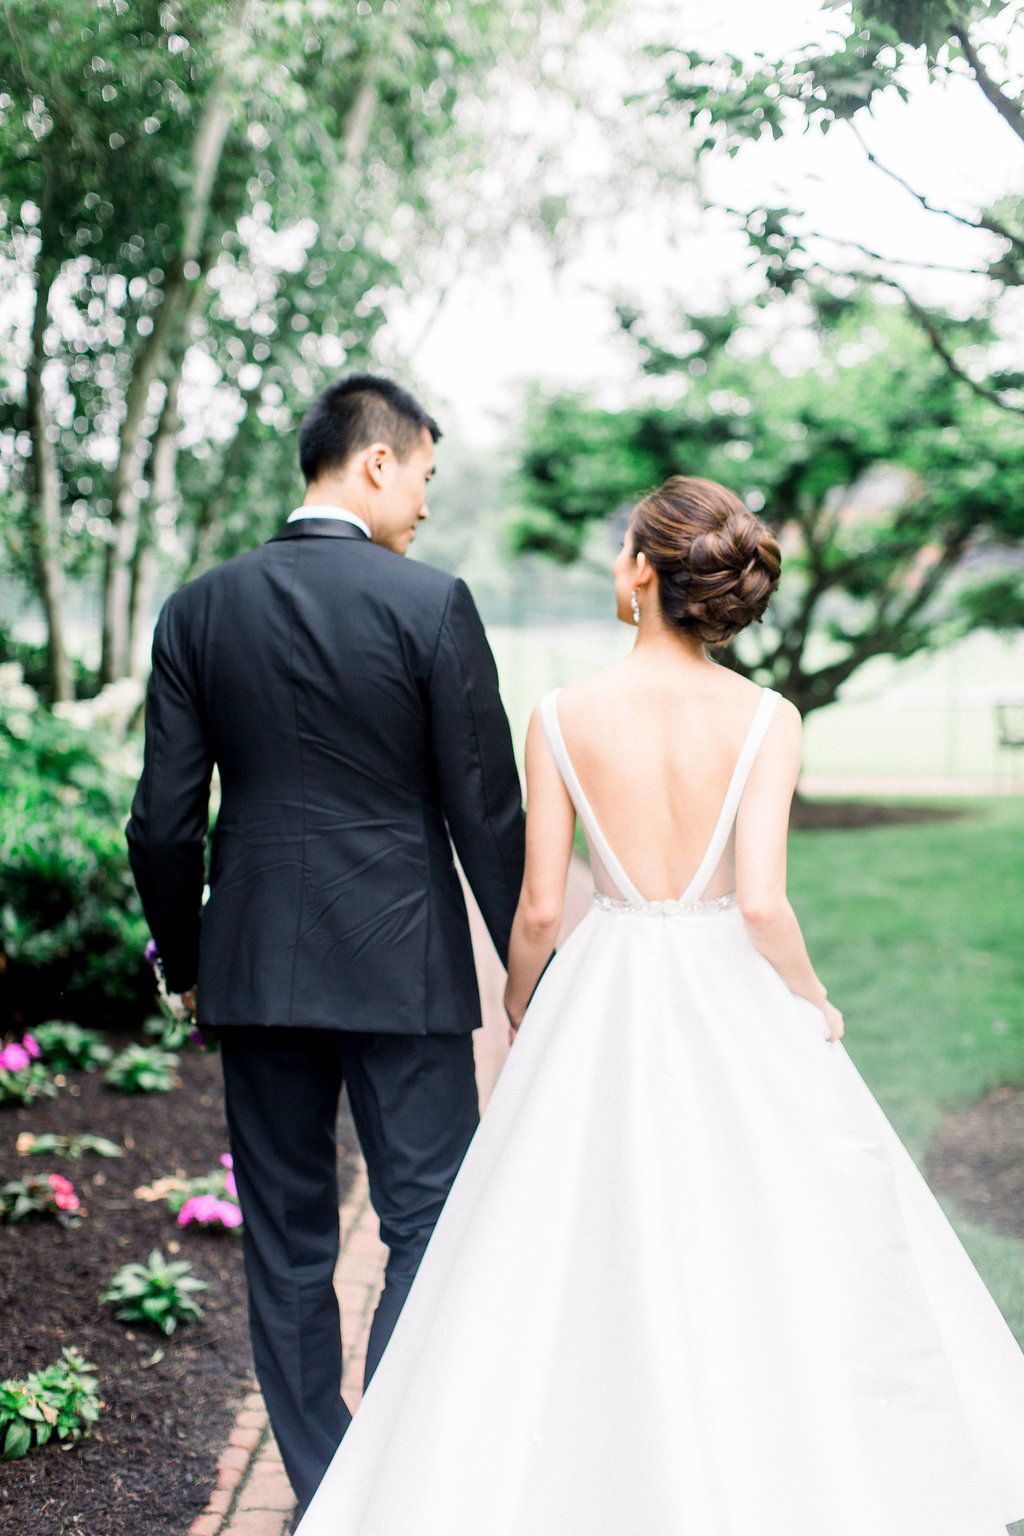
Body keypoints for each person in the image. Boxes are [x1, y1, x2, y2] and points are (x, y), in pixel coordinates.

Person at [295, 475, 1024, 1535]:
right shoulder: (767, 719)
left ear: (642, 570)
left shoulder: (560, 715)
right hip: (728, 987)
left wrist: (522, 1001)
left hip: (610, 983)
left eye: (621, 545)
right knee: (765, 1233)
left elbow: (540, 908)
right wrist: (811, 999)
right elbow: (762, 904)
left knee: (575, 1233)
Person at [125, 374, 525, 1524]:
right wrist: (529, 970)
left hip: (254, 969)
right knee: (431, 1223)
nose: (427, 504)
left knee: (288, 1242)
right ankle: (384, 1478)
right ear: (377, 461)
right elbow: (485, 812)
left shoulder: (198, 609)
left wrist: (186, 959)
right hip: (404, 968)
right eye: (425, 477)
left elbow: (162, 822)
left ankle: (323, 1483)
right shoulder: (432, 604)